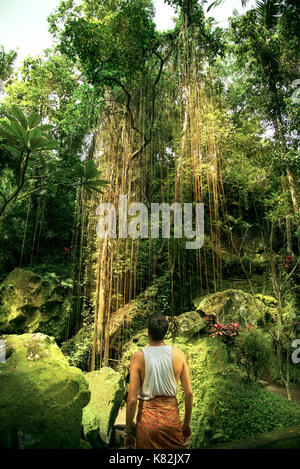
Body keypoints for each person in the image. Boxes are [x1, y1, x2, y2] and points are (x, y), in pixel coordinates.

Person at [124, 313, 193, 449]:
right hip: (171, 421)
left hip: (147, 423)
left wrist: (128, 433)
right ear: (165, 333)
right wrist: (186, 423)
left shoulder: (138, 357)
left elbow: (132, 400)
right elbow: (189, 393)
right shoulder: (178, 354)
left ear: (148, 333)